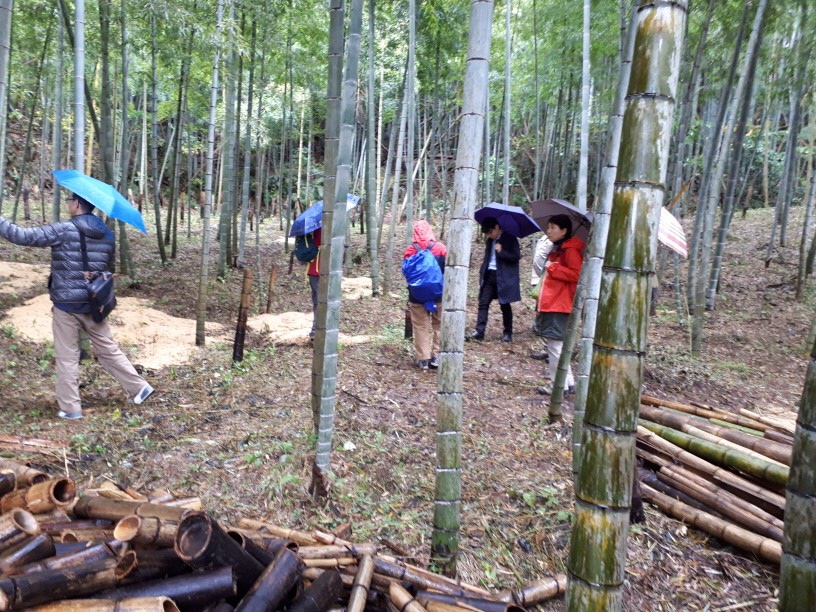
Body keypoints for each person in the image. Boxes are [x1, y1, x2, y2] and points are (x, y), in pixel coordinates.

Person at [0, 194, 154, 419]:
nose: (67, 205)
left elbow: (22, 236)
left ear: (77, 204)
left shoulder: (63, 230)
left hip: (67, 304)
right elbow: (106, 266)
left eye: (69, 201)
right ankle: (140, 388)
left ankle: (71, 408)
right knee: (108, 349)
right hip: (95, 303)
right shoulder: (107, 234)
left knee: (67, 356)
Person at [536, 214, 585, 395]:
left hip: (560, 303)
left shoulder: (570, 251)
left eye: (553, 228)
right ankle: (568, 383)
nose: (548, 231)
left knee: (555, 345)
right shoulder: (558, 249)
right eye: (548, 227)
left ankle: (558, 385)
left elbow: (577, 275)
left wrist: (554, 267)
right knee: (556, 344)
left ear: (564, 230)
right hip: (553, 302)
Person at [468, 217, 521, 343]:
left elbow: (516, 256)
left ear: (497, 227)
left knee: (504, 304)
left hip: (503, 276)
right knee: (483, 302)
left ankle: (507, 333)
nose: (489, 235)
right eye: (487, 233)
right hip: (489, 274)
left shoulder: (510, 238)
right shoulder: (489, 241)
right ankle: (479, 331)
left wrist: (502, 251)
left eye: (490, 232)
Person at [403, 220, 447, 370]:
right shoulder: (440, 248)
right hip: (438, 294)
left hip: (417, 295)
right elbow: (447, 270)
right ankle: (437, 356)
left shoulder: (410, 250)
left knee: (420, 326)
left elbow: (407, 273)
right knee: (440, 325)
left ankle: (423, 359)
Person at [530, 234, 554, 360]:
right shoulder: (544, 238)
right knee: (541, 313)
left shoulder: (559, 243)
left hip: (550, 281)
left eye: (552, 227)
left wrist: (548, 271)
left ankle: (553, 350)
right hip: (540, 280)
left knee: (551, 317)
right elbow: (538, 259)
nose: (549, 229)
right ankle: (546, 348)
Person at [306, 228, 322, 339]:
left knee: (317, 301)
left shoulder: (315, 227)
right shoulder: (325, 228)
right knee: (321, 301)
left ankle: (316, 329)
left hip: (314, 270)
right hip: (320, 270)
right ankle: (316, 330)